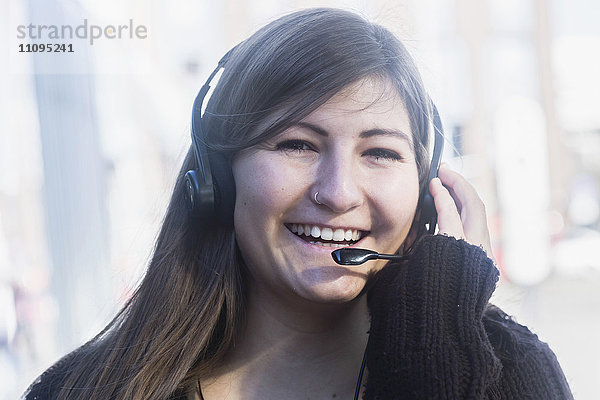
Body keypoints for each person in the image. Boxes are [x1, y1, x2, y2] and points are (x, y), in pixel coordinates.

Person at [24, 7, 572, 400]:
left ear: (427, 189)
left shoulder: (508, 375)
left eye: (380, 152)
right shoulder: (83, 390)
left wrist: (434, 343)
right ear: (216, 175)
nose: (337, 193)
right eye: (297, 144)